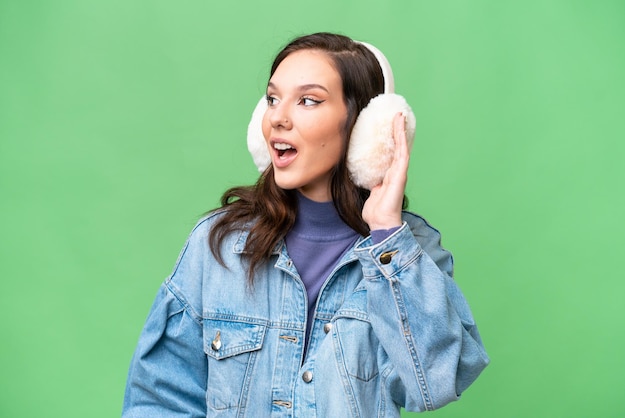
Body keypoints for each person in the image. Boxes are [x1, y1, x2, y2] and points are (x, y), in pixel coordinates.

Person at [122, 32, 489, 417]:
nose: (278, 118)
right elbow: (159, 399)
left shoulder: (409, 254)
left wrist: (385, 232)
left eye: (308, 100)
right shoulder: (219, 245)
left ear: (365, 128)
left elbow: (436, 382)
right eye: (272, 99)